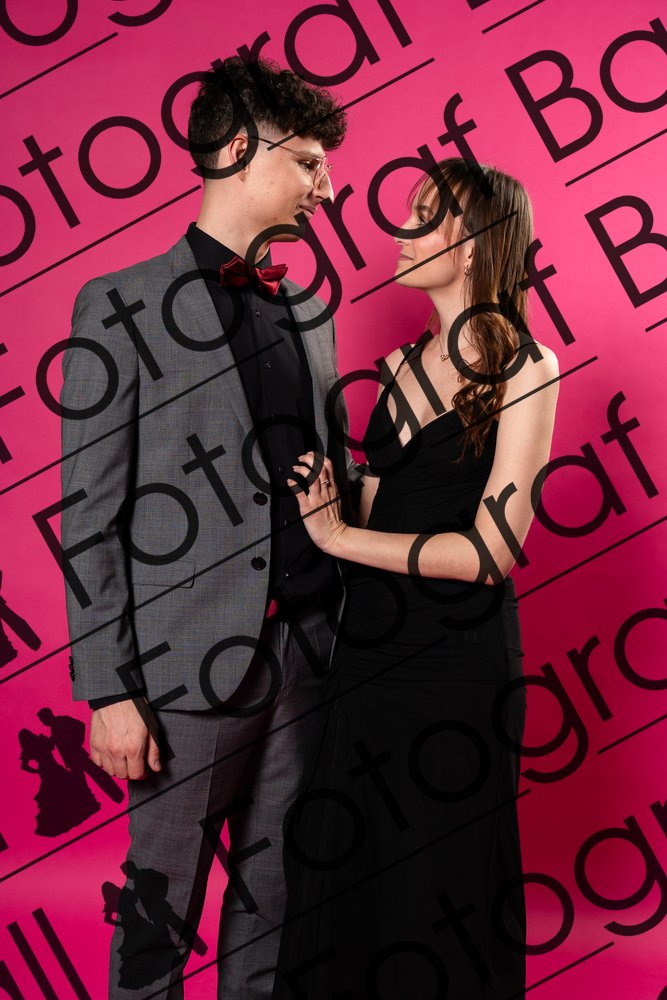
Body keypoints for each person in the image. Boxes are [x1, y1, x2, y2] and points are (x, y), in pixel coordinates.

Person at [60, 56, 361, 999]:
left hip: (306, 654)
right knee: (158, 918)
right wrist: (107, 689)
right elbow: (88, 512)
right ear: (236, 150)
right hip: (182, 671)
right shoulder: (117, 303)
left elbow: (334, 477)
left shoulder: (309, 308)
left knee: (275, 910)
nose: (326, 188)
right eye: (308, 162)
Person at [271, 158, 560, 999]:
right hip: (367, 651)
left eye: (425, 215)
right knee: (346, 864)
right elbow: (395, 498)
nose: (401, 230)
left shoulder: (527, 367)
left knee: (438, 880)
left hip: (454, 664)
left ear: (472, 246)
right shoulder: (398, 364)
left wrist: (338, 535)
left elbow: (488, 553)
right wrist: (327, 494)